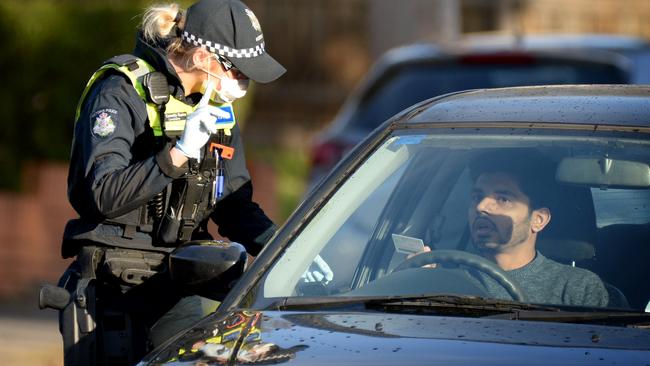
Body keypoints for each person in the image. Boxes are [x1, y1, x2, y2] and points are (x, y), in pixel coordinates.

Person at [59, 0, 285, 359]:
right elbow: (101, 193)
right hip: (113, 287)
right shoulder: (120, 91)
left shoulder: (215, 110)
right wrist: (176, 154)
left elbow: (234, 207)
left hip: (177, 282)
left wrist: (287, 249)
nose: (243, 82)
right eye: (237, 70)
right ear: (201, 58)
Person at [413, 152, 609, 307]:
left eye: (503, 199)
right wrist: (417, 287)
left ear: (538, 220)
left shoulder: (576, 287)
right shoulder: (445, 280)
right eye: (476, 197)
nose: (481, 206)